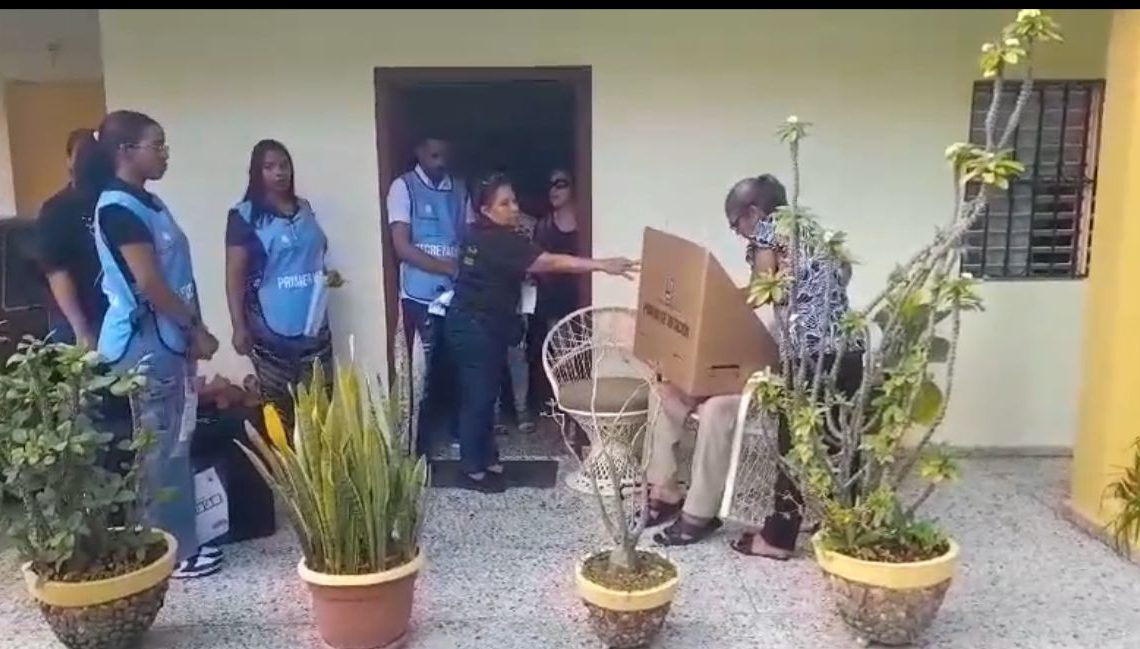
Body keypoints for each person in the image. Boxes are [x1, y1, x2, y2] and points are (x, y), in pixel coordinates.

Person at [646, 174, 863, 559]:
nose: (739, 234)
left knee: (791, 447)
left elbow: (762, 290)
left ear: (754, 212)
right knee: (838, 440)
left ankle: (777, 540)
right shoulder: (814, 229)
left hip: (808, 355)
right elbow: (843, 275)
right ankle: (844, 525)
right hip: (848, 349)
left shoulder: (768, 231)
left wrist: (708, 310)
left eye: (736, 224)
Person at [85, 109, 223, 579]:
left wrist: (191, 328)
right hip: (144, 345)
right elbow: (151, 284)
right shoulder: (118, 209)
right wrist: (196, 330)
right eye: (156, 145)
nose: (164, 154)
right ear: (126, 152)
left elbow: (178, 275)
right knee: (159, 450)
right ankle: (172, 553)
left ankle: (179, 540)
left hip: (170, 340)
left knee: (175, 444)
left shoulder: (150, 203)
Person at [444, 173, 638, 493]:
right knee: (478, 399)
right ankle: (471, 469)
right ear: (485, 210)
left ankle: (487, 459)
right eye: (504, 203)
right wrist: (602, 264)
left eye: (514, 201)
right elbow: (548, 261)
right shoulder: (498, 239)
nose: (514, 208)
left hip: (482, 325)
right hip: (474, 327)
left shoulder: (480, 233)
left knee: (485, 394)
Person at [225, 139, 332, 430]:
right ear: (256, 173)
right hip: (271, 332)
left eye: (284, 165)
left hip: (314, 326)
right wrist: (239, 326)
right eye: (269, 167)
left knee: (321, 410)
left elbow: (316, 255)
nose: (279, 173)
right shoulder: (244, 216)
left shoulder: (305, 209)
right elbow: (234, 274)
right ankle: (283, 474)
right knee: (280, 413)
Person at [386, 134, 466, 454]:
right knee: (420, 368)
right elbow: (402, 246)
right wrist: (446, 268)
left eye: (444, 154)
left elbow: (470, 236)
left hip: (456, 294)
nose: (440, 160)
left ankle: (461, 434)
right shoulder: (402, 187)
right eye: (433, 154)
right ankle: (416, 442)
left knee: (459, 364)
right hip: (418, 295)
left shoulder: (460, 189)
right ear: (418, 151)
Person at [33, 128, 108, 348]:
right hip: (76, 319)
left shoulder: (112, 202)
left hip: (115, 315)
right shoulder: (57, 210)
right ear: (69, 161)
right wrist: (80, 328)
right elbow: (57, 272)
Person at [528, 168, 581, 413]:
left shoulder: (587, 220)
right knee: (561, 360)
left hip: (582, 300)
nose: (554, 190)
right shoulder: (544, 226)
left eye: (561, 184)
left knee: (583, 361)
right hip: (553, 301)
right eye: (550, 185)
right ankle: (565, 411)